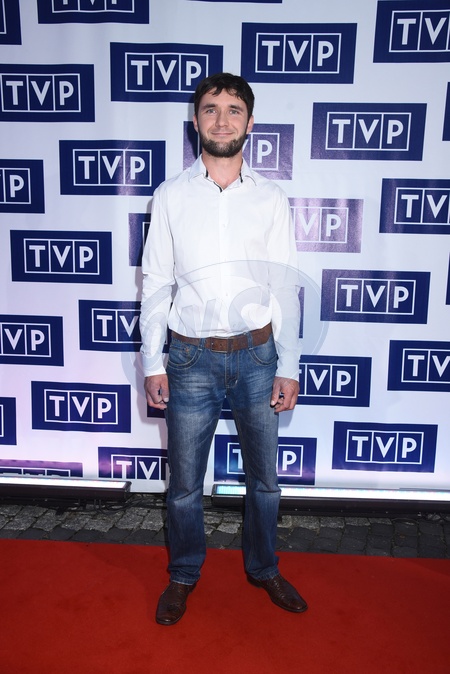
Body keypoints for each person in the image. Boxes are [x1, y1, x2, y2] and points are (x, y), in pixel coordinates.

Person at [140, 72, 307, 626]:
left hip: (259, 358)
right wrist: (152, 361)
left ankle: (264, 568)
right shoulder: (170, 196)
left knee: (266, 482)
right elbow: (156, 283)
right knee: (185, 484)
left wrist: (289, 364)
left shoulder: (271, 198)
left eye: (234, 110)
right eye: (210, 109)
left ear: (250, 123)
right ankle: (183, 573)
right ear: (196, 121)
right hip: (189, 359)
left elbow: (284, 285)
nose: (221, 119)